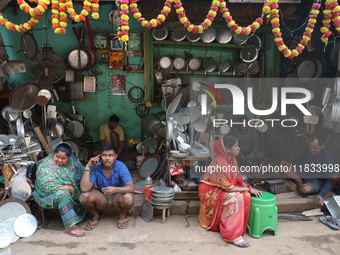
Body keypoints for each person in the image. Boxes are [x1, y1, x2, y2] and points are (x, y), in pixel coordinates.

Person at [198, 135, 262, 248]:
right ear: (227, 149)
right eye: (236, 146)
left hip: (222, 187)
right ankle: (232, 235)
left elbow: (238, 178)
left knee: (246, 196)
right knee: (236, 198)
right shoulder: (220, 163)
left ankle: (238, 228)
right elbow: (229, 188)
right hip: (210, 190)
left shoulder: (232, 160)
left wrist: (249, 188)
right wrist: (249, 188)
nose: (239, 148)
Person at [33, 143, 86, 237]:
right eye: (57, 156)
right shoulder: (46, 166)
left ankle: (88, 212)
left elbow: (82, 171)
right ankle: (70, 226)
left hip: (71, 188)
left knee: (85, 189)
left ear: (68, 158)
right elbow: (45, 186)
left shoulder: (73, 162)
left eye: (63, 158)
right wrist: (69, 187)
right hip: (46, 194)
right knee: (64, 195)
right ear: (54, 154)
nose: (59, 160)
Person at [80, 142, 134, 230]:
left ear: (115, 156)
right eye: (104, 155)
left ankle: (122, 214)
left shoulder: (121, 166)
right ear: (100, 155)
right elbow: (84, 188)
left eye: (110, 155)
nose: (107, 158)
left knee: (129, 197)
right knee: (84, 196)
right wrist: (88, 167)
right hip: (102, 198)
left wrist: (115, 189)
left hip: (117, 197)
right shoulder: (96, 166)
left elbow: (131, 187)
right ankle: (96, 214)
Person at [281, 134, 333, 206]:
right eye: (310, 147)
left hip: (315, 181)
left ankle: (298, 183)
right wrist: (290, 164)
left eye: (315, 148)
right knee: (283, 167)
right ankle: (300, 181)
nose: (311, 150)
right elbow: (301, 159)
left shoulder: (327, 158)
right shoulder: (308, 150)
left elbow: (329, 180)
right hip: (303, 173)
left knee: (304, 189)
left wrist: (321, 194)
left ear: (322, 146)